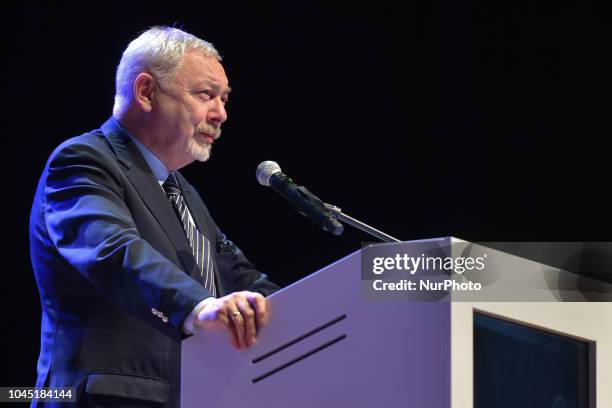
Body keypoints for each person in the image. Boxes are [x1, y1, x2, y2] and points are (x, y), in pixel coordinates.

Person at [29, 26, 279, 407]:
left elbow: (238, 274)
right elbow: (115, 252)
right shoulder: (82, 162)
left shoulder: (183, 193)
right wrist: (200, 306)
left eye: (224, 99)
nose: (221, 114)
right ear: (146, 92)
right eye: (206, 95)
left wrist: (316, 309)